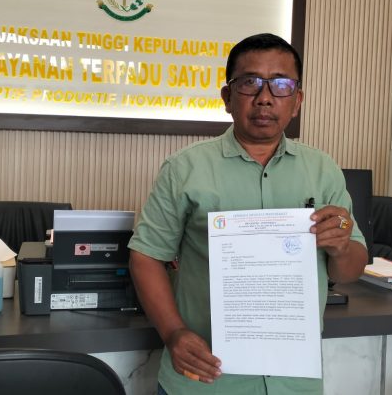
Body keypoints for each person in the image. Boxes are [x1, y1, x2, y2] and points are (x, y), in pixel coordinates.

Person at [128, 33, 368, 395]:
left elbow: (349, 270)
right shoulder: (185, 168)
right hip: (204, 379)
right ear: (227, 97)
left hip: (294, 382)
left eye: (281, 85)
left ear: (297, 101)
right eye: (250, 83)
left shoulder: (323, 170)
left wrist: (341, 246)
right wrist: (173, 332)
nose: (265, 97)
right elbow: (146, 256)